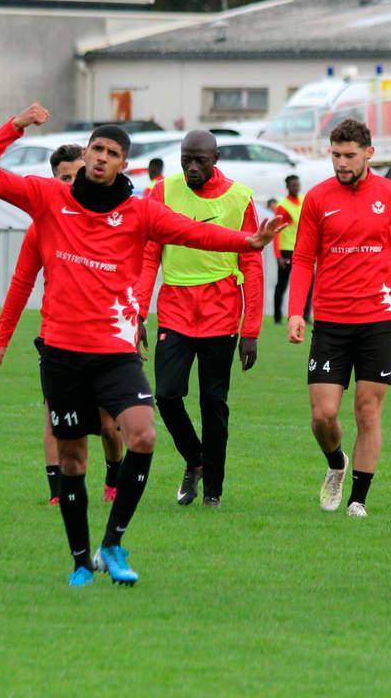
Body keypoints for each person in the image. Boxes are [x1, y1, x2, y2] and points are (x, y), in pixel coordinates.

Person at [0, 103, 283, 586]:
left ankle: (113, 543)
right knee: (73, 460)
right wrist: (16, 127)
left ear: (123, 165)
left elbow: (194, 233)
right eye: (97, 148)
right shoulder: (48, 198)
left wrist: (248, 243)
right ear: (88, 152)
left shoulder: (139, 212)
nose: (101, 158)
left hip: (115, 351)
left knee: (144, 434)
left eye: (112, 153)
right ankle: (79, 562)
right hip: (62, 353)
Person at [0, 143, 123, 507]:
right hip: (57, 338)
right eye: (63, 177)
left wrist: (133, 321)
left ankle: (114, 475)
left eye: (76, 174)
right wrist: (2, 338)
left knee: (109, 424)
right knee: (55, 416)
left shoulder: (116, 218)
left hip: (106, 337)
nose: (70, 182)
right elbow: (21, 283)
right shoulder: (45, 226)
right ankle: (58, 494)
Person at [287, 118, 391, 517]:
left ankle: (358, 498)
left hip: (379, 318)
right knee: (323, 415)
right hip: (331, 321)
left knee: (367, 409)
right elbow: (304, 258)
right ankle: (336, 462)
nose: (341, 163)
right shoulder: (318, 198)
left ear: (368, 154)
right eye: (336, 155)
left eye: (349, 155)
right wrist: (295, 312)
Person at [136, 130, 262, 508]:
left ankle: (213, 493)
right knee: (167, 395)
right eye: (185, 159)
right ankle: (195, 460)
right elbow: (148, 255)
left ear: (216, 158)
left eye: (200, 161)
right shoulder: (160, 192)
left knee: (213, 403)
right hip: (174, 308)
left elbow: (252, 263)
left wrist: (251, 330)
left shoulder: (240, 197)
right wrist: (138, 312)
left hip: (221, 312)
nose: (191, 167)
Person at [272, 174, 311, 324]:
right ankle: (277, 318)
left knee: (308, 283)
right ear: (287, 187)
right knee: (283, 284)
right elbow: (276, 231)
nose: (296, 187)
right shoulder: (282, 206)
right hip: (286, 249)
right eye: (293, 185)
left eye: (298, 185)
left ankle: (306, 317)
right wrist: (278, 256)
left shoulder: (304, 200)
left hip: (302, 249)